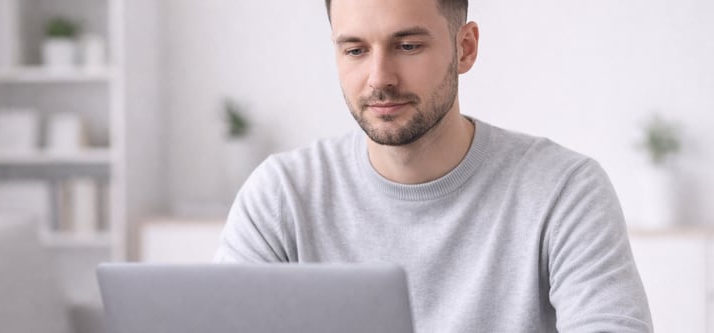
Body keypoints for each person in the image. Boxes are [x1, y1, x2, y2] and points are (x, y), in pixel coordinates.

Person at [214, 0, 653, 331]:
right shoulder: (282, 195)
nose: (379, 77)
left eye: (407, 45)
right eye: (355, 50)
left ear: (465, 48)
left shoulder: (564, 191)